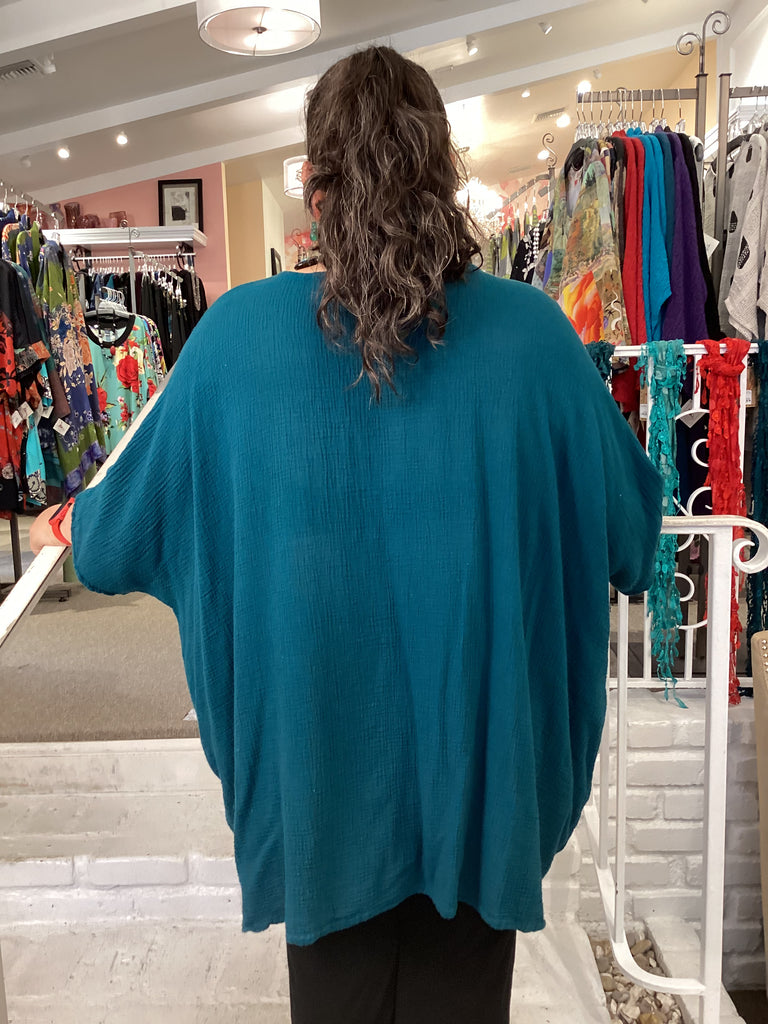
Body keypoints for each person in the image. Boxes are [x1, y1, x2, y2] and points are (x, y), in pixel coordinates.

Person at [31, 45, 663, 1024]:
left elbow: (118, 538)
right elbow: (632, 533)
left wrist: (68, 516)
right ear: (444, 175)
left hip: (319, 787)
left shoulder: (233, 341)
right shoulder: (537, 338)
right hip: (483, 786)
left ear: (315, 189)